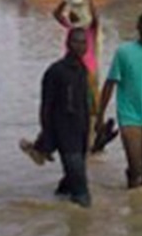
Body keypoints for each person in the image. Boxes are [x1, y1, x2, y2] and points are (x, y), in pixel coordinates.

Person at [20, 28, 91, 207]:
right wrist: (48, 135)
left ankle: (57, 205)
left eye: (84, 42)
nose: (80, 46)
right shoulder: (55, 71)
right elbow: (46, 107)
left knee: (71, 180)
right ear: (67, 43)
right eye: (76, 41)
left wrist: (89, 133)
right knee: (82, 195)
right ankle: (81, 229)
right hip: (64, 133)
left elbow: (84, 104)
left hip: (80, 132)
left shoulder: (82, 70)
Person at [96, 12, 142, 189]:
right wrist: (99, 115)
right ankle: (133, 194)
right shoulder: (124, 52)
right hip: (129, 116)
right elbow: (110, 84)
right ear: (139, 29)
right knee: (136, 167)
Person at [53, 0, 101, 121]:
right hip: (70, 69)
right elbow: (56, 14)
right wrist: (66, 0)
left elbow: (95, 18)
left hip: (87, 70)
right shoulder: (71, 28)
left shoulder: (89, 30)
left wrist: (90, 0)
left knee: (89, 106)